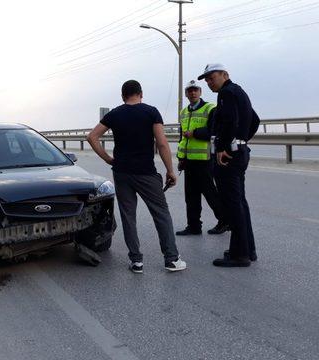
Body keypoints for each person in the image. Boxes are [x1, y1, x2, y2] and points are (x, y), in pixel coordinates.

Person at [87, 80, 187, 274]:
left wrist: (109, 159)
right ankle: (171, 259)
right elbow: (162, 143)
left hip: (122, 172)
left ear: (123, 96)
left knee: (128, 216)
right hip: (146, 173)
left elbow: (92, 137)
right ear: (141, 94)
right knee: (161, 213)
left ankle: (136, 261)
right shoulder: (151, 111)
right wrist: (170, 170)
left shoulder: (115, 114)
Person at [198, 64, 260, 267]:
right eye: (206, 79)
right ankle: (247, 250)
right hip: (238, 153)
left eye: (211, 77)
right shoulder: (236, 91)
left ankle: (239, 255)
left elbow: (230, 121)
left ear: (225, 75)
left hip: (229, 157)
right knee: (239, 203)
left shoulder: (227, 93)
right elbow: (255, 119)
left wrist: (227, 146)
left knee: (233, 204)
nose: (208, 82)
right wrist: (241, 141)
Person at [175, 80, 228, 236]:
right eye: (189, 90)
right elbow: (182, 137)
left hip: (205, 159)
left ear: (200, 92)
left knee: (210, 193)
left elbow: (214, 131)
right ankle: (193, 226)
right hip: (189, 160)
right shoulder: (184, 112)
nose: (192, 93)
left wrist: (195, 133)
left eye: (195, 90)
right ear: (186, 93)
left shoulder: (210, 108)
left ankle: (224, 221)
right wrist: (181, 158)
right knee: (190, 195)